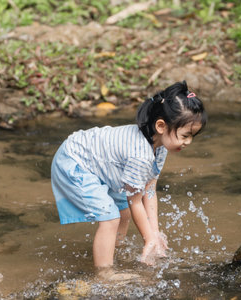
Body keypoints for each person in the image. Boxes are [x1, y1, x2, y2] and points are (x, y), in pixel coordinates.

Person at [51, 81, 207, 281]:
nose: (188, 142)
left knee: (122, 211)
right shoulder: (140, 154)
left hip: (99, 161)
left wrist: (155, 232)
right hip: (75, 161)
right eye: (185, 135)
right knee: (110, 217)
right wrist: (148, 237)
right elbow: (136, 201)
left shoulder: (159, 146)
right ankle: (104, 274)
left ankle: (117, 250)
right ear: (161, 126)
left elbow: (149, 190)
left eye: (192, 136)